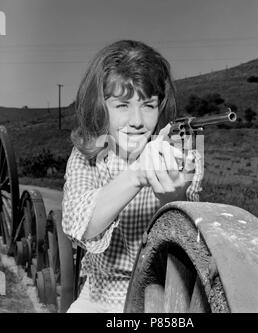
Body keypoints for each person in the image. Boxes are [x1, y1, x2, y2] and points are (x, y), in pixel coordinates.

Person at [62, 40, 203, 313]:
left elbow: (193, 236)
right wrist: (137, 175)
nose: (137, 120)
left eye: (148, 105)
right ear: (100, 106)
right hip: (100, 298)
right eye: (122, 105)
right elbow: (81, 225)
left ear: (160, 107)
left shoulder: (180, 152)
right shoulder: (86, 155)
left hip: (166, 299)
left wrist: (174, 197)